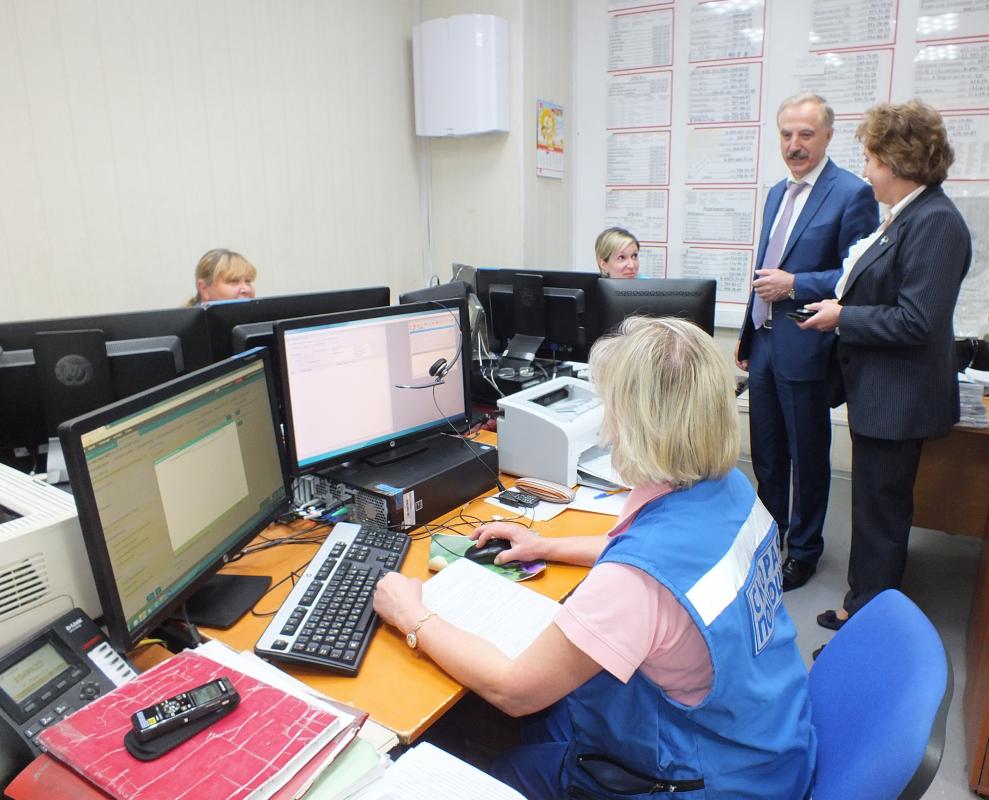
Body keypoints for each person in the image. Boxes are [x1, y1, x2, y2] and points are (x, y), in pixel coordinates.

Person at [374, 317, 815, 800]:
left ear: (633, 423)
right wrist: (544, 546)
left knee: (492, 762)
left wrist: (412, 616)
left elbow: (513, 690)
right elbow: (671, 567)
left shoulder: (636, 582)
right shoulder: (729, 489)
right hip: (768, 741)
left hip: (705, 780)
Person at [798, 99, 971, 629]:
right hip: (881, 394)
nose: (867, 170)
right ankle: (862, 606)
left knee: (882, 517)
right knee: (874, 511)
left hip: (898, 400)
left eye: (871, 159)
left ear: (898, 161)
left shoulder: (936, 222)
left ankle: (868, 625)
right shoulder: (908, 215)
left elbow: (917, 321)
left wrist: (843, 316)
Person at [735, 93, 878, 592]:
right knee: (766, 452)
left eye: (806, 135)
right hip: (765, 343)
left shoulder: (852, 193)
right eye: (786, 134)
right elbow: (765, 265)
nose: (794, 145)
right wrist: (748, 331)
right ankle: (768, 536)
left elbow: (857, 274)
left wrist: (796, 284)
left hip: (807, 345)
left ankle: (803, 550)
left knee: (808, 455)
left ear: (828, 136)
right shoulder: (778, 192)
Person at [187, 248, 258, 305]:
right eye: (233, 281)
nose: (246, 289)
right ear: (204, 288)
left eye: (248, 281)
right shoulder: (186, 319)